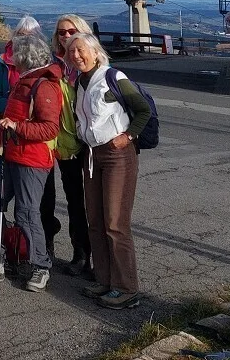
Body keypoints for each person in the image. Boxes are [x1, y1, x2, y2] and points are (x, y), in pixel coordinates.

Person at [0, 32, 63, 291]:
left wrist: (16, 126)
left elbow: (50, 128)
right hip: (7, 153)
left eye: (14, 55)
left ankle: (40, 265)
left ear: (25, 58)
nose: (10, 59)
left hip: (31, 159)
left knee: (26, 212)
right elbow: (15, 117)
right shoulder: (25, 81)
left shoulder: (43, 85)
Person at [67, 31, 151, 310]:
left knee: (115, 223)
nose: (76, 56)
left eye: (81, 50)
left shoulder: (113, 77)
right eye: (71, 52)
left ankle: (126, 288)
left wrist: (128, 136)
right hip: (92, 155)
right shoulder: (80, 82)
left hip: (117, 155)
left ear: (95, 52)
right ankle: (104, 280)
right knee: (95, 220)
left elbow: (142, 110)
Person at [46, 14, 93, 276]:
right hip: (54, 139)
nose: (65, 36)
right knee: (52, 197)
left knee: (81, 200)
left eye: (71, 32)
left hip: (81, 141)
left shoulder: (87, 63)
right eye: (61, 32)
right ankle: (51, 247)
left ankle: (84, 254)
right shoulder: (51, 62)